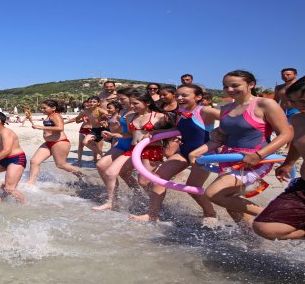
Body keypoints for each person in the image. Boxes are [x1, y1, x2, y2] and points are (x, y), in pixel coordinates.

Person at [188, 70, 292, 231]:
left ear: (251, 84)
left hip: (253, 161)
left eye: (235, 85)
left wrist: (259, 156)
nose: (230, 90)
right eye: (226, 87)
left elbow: (286, 134)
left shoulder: (265, 104)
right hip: (229, 158)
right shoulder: (226, 109)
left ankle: (274, 216)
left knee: (214, 194)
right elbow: (218, 139)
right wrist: (196, 152)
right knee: (232, 203)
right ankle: (251, 239)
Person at [129, 84, 219, 223]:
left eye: (184, 95)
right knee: (159, 178)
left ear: (198, 97)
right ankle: (152, 214)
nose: (179, 98)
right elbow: (178, 129)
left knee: (192, 188)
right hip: (184, 152)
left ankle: (210, 213)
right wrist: (155, 132)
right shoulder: (182, 112)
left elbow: (231, 121)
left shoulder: (205, 111)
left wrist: (222, 139)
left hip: (203, 156)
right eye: (177, 95)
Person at [253, 77, 305, 239]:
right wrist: (288, 164)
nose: (295, 105)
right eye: (292, 101)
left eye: (302, 100)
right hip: (303, 186)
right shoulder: (297, 119)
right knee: (265, 227)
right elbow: (297, 145)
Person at [95, 87, 139, 211]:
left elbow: (134, 134)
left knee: (123, 173)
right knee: (101, 165)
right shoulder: (124, 111)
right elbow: (122, 130)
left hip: (132, 146)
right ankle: (113, 198)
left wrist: (114, 135)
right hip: (121, 144)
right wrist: (112, 133)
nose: (120, 101)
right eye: (118, 99)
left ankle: (138, 194)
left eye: (122, 99)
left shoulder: (137, 112)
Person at [25, 99, 87, 186]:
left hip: (59, 142)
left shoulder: (56, 116)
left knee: (61, 165)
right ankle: (31, 182)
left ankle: (82, 176)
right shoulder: (49, 116)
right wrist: (32, 121)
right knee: (34, 161)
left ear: (53, 108)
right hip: (48, 143)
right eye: (41, 108)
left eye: (44, 108)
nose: (42, 110)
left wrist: (41, 127)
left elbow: (60, 128)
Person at [67, 96, 108, 162]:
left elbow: (109, 115)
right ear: (88, 103)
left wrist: (105, 119)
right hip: (94, 129)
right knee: (84, 142)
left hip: (101, 129)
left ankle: (100, 157)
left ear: (98, 103)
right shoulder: (86, 111)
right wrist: (78, 120)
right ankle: (101, 154)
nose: (92, 103)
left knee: (98, 144)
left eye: (94, 102)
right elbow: (78, 118)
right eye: (90, 102)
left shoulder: (100, 110)